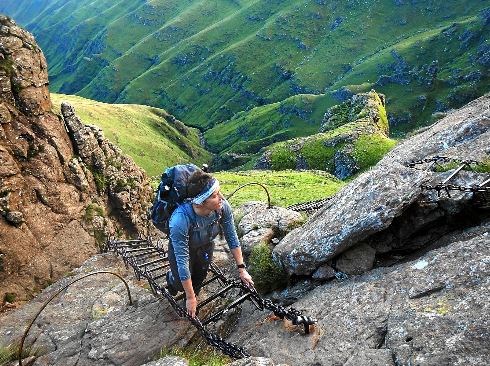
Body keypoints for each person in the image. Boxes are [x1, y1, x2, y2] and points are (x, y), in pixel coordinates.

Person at [165, 170, 254, 318]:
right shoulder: (180, 220)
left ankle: (192, 299)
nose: (221, 198)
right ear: (200, 202)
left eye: (219, 192)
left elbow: (232, 237)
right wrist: (190, 298)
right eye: (214, 196)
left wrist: (242, 269)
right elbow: (182, 261)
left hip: (205, 246)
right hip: (182, 250)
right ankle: (172, 279)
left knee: (199, 277)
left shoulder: (222, 208)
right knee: (181, 283)